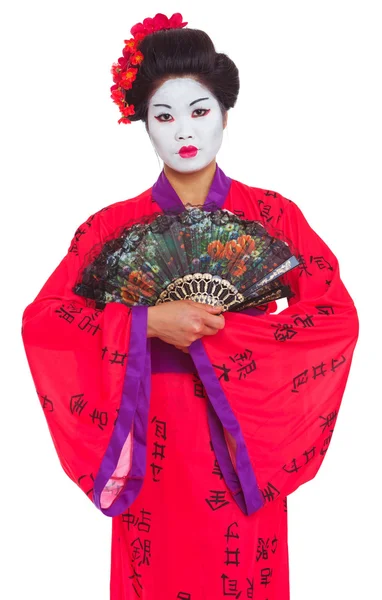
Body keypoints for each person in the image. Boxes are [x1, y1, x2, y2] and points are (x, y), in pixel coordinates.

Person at [21, 12, 359, 600]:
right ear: (144, 126)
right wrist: (147, 322)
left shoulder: (273, 216)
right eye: (164, 114)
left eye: (200, 111)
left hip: (243, 438)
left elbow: (334, 316)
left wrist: (227, 337)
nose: (185, 130)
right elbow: (46, 321)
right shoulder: (111, 227)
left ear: (226, 114)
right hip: (151, 429)